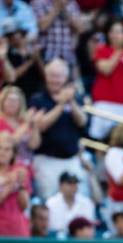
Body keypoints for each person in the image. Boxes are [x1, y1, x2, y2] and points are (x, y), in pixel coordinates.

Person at [29, 58, 88, 199]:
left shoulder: (75, 97)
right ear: (46, 76)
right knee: (49, 199)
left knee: (78, 197)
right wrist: (61, 105)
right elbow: (41, 125)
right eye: (52, 76)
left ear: (65, 77)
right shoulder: (38, 99)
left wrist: (71, 102)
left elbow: (82, 121)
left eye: (58, 76)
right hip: (47, 160)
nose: (55, 80)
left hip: (70, 159)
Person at [89, 18, 123, 140]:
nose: (118, 35)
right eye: (115, 31)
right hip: (105, 104)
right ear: (109, 34)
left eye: (121, 31)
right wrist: (119, 51)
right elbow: (106, 69)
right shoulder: (102, 50)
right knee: (99, 141)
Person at [0, 132, 30, 236]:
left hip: (17, 227)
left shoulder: (19, 170)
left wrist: (20, 185)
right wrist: (10, 186)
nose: (2, 152)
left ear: (13, 154)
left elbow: (24, 205)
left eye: (7, 149)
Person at [0, 86, 43, 165]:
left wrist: (34, 125)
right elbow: (9, 143)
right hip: (9, 167)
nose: (12, 103)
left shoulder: (23, 121)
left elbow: (34, 145)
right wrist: (27, 124)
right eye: (9, 100)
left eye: (16, 100)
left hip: (28, 165)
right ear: (2, 102)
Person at [2, 17, 45, 101]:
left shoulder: (35, 50)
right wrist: (31, 61)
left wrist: (38, 59)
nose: (13, 37)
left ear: (22, 33)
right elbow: (11, 77)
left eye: (15, 33)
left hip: (35, 94)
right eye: (9, 35)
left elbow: (45, 76)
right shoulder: (6, 54)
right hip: (15, 96)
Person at [31, 0, 82, 66]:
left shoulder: (72, 3)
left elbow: (80, 28)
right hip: (46, 55)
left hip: (67, 55)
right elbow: (42, 27)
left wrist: (65, 10)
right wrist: (56, 8)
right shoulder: (38, 2)